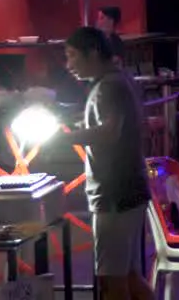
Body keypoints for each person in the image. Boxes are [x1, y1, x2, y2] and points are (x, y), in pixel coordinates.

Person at [60, 27, 153, 300]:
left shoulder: (108, 86)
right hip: (130, 189)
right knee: (129, 276)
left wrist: (64, 138)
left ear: (93, 53)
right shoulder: (119, 80)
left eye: (72, 56)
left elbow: (109, 132)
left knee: (111, 282)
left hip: (114, 194)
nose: (68, 65)